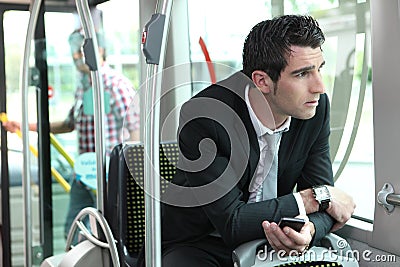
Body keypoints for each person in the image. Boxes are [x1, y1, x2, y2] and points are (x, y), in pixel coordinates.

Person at [144, 15, 355, 267]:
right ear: (262, 81)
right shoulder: (204, 116)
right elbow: (232, 222)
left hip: (273, 237)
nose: (319, 86)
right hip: (201, 242)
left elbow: (325, 207)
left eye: (319, 69)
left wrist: (308, 230)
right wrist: (313, 198)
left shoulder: (313, 109)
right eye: (302, 74)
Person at [2, 29, 140, 237]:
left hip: (109, 173)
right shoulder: (83, 87)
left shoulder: (116, 86)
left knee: (108, 232)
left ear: (99, 50)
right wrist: (22, 125)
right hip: (84, 172)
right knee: (73, 229)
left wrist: (128, 174)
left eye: (80, 50)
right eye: (73, 51)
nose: (75, 56)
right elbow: (68, 124)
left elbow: (136, 131)